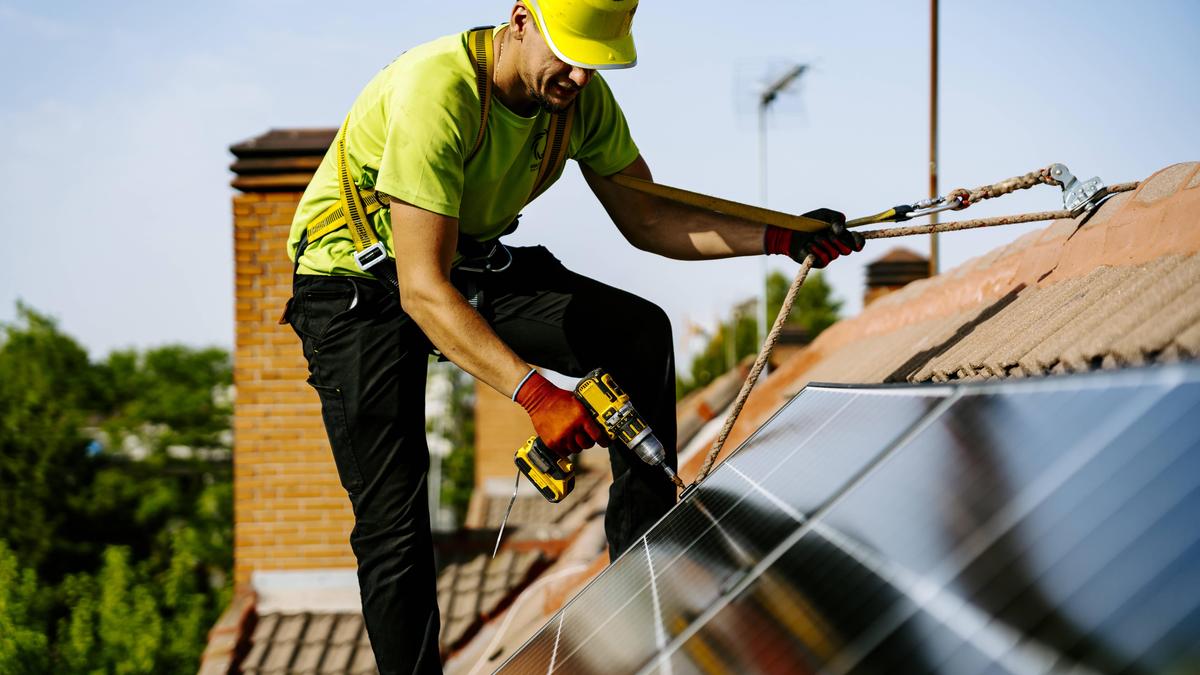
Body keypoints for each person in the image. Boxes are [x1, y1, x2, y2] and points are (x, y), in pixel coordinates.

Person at [283, 1, 863, 672]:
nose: (581, 77)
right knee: (395, 516)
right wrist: (537, 395)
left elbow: (647, 218)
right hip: (356, 286)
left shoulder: (579, 100)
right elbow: (421, 289)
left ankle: (643, 585)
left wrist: (776, 236)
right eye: (570, 52)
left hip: (464, 264)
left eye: (597, 61)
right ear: (521, 18)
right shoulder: (436, 90)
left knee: (637, 332)